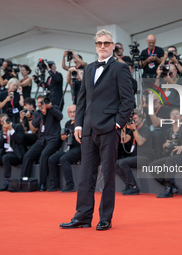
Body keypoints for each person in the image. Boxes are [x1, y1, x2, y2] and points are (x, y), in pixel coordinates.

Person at [60, 29, 134, 231]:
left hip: (109, 129)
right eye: (99, 43)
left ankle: (105, 218)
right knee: (85, 176)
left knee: (108, 175)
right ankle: (82, 216)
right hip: (88, 130)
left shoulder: (120, 68)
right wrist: (78, 125)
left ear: (113, 46)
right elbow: (82, 100)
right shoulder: (90, 68)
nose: (102, 46)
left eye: (106, 43)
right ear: (96, 45)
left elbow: (128, 101)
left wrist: (117, 124)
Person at [20, 95, 63, 191]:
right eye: (39, 102)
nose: (41, 104)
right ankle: (23, 180)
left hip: (53, 139)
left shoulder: (54, 108)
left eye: (42, 102)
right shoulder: (37, 113)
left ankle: (42, 184)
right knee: (27, 156)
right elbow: (35, 125)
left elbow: (60, 117)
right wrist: (42, 114)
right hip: (41, 140)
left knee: (44, 155)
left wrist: (49, 108)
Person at [116, 109, 153, 195]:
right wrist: (124, 127)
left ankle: (134, 187)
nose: (133, 121)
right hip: (136, 157)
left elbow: (140, 142)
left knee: (123, 162)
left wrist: (134, 130)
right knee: (116, 164)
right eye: (132, 119)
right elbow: (123, 140)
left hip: (145, 157)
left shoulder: (145, 128)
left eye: (135, 118)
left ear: (141, 118)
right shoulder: (133, 129)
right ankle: (128, 184)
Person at [48, 105, 81, 192]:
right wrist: (63, 137)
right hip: (67, 148)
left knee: (64, 159)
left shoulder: (80, 123)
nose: (73, 114)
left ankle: (70, 185)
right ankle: (55, 184)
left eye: (74, 112)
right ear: (68, 113)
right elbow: (63, 137)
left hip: (78, 148)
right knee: (51, 159)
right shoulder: (67, 123)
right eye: (70, 112)